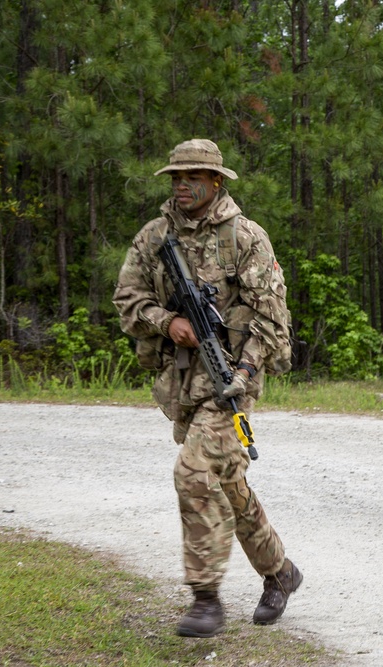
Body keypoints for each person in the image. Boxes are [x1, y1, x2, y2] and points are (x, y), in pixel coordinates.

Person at [113, 139, 300, 638]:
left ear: (217, 181)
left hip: (233, 375)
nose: (181, 184)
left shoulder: (245, 237)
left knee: (194, 473)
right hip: (181, 381)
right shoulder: (153, 237)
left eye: (193, 175)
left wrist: (244, 372)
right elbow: (127, 297)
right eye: (176, 176)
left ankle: (205, 599)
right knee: (227, 483)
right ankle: (280, 572)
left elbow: (272, 319)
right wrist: (166, 320)